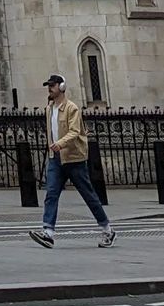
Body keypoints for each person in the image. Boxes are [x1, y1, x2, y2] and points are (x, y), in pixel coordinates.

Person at [31, 73, 114, 248]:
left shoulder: (71, 108)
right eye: (48, 86)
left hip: (74, 158)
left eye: (52, 86)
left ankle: (107, 228)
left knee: (88, 195)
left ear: (61, 87)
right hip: (56, 158)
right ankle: (48, 232)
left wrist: (59, 144)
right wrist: (54, 148)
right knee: (51, 194)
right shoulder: (49, 109)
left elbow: (75, 131)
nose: (49, 89)